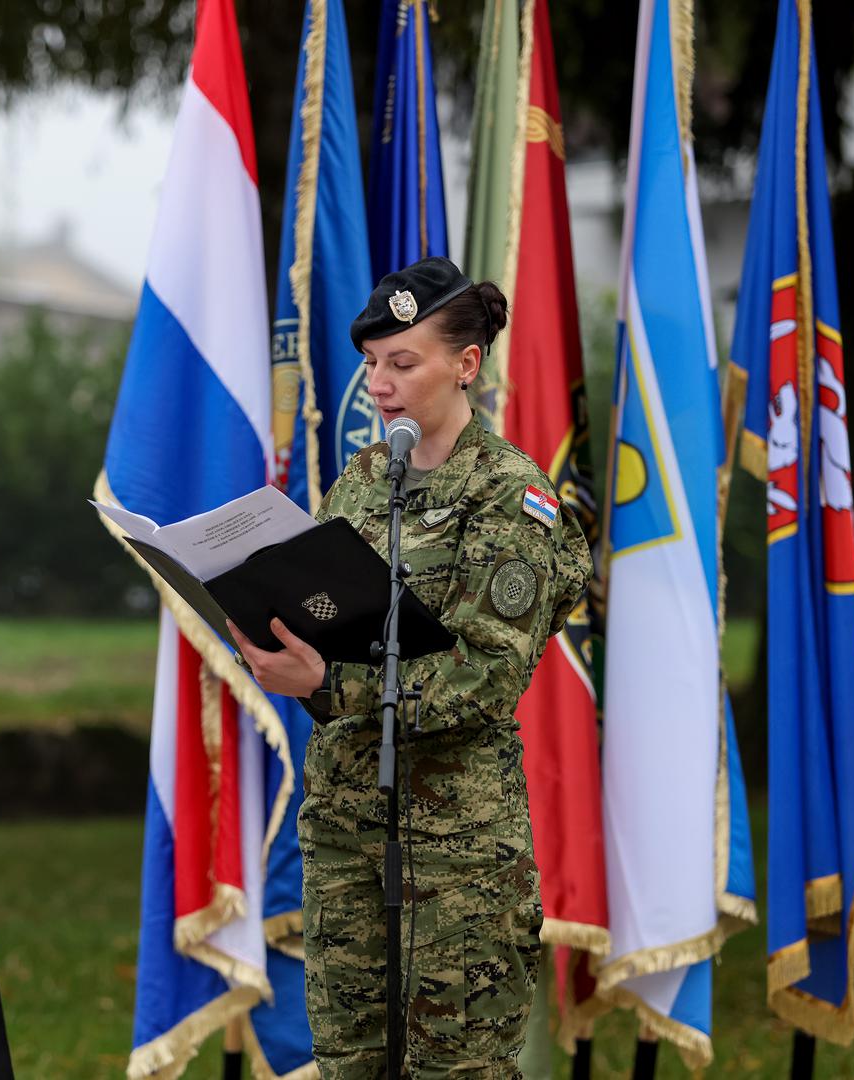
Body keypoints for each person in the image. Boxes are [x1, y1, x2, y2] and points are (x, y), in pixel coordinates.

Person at [229, 257, 592, 1078]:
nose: (380, 385)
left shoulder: (511, 499)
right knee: (350, 1066)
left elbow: (482, 676)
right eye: (370, 365)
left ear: (465, 365)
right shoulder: (360, 485)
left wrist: (326, 685)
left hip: (455, 852)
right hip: (347, 834)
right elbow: (329, 632)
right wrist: (273, 636)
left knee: (451, 1070)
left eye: (403, 362)